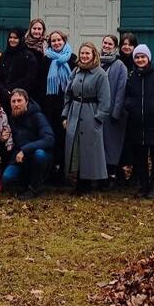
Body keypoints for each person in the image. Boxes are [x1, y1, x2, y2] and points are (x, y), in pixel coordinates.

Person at [62, 41, 110, 194]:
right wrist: (65, 115)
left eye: (87, 53)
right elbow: (68, 94)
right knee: (75, 148)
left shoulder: (100, 73)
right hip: (74, 113)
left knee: (90, 150)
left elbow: (105, 99)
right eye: (82, 53)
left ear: (93, 54)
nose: (84, 56)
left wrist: (98, 118)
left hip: (91, 114)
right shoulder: (76, 71)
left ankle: (88, 183)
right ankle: (77, 180)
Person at [124, 44, 154, 199]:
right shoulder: (131, 76)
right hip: (137, 123)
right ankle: (143, 186)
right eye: (137, 57)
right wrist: (129, 105)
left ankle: (153, 187)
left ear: (148, 58)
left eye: (143, 57)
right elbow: (126, 96)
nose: (140, 60)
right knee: (140, 157)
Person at [1, 89, 55, 200]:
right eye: (13, 101)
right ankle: (25, 184)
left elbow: (49, 139)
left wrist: (25, 150)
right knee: (7, 178)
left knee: (39, 155)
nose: (16, 104)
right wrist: (3, 140)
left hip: (38, 154)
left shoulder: (38, 116)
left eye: (19, 101)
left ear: (26, 102)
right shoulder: (11, 118)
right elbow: (10, 146)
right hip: (20, 158)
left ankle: (34, 188)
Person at [42, 29, 74, 182]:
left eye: (59, 40)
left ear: (64, 41)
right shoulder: (46, 60)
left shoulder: (72, 59)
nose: (56, 43)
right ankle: (51, 171)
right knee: (52, 138)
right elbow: (41, 84)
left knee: (65, 139)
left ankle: (64, 171)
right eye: (53, 41)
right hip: (50, 106)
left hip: (67, 105)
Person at [99, 34, 130, 186]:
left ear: (115, 47)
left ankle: (112, 175)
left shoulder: (120, 66)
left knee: (112, 145)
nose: (106, 46)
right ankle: (99, 175)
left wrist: (116, 111)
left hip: (113, 113)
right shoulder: (96, 61)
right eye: (104, 43)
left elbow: (121, 90)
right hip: (98, 112)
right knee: (99, 144)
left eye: (110, 44)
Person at [0, 28, 39, 100]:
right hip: (3, 97)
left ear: (21, 39)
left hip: (20, 98)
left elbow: (30, 79)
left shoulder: (28, 56)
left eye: (15, 38)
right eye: (10, 37)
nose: (12, 40)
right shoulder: (4, 56)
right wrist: (2, 90)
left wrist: (12, 90)